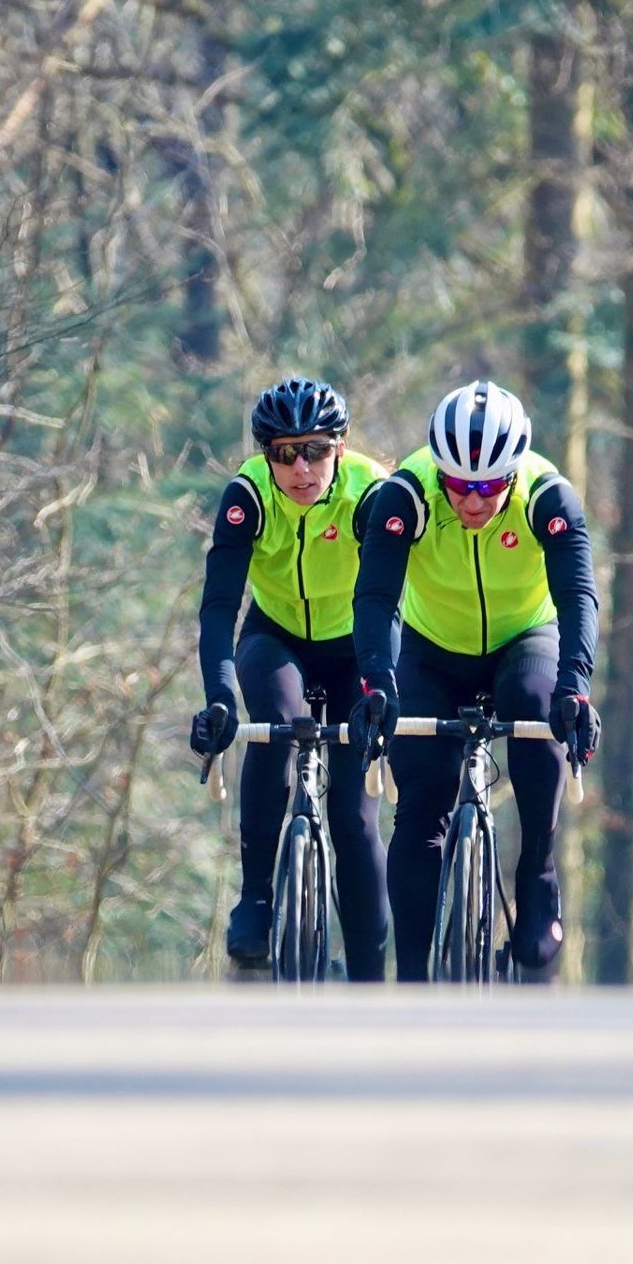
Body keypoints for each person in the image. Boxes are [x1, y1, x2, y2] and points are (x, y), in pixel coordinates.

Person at [348, 380, 601, 979]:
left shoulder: (547, 495)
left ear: (512, 473)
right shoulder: (406, 494)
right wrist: (376, 684)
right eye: (459, 485)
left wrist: (576, 686)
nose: (474, 501)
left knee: (537, 705)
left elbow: (577, 595)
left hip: (524, 642)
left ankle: (536, 872)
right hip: (432, 651)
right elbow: (376, 597)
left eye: (489, 486)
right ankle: (412, 974)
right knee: (421, 806)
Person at [190, 377, 391, 979]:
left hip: (356, 645)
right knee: (279, 728)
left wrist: (382, 683)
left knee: (354, 817)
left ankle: (366, 972)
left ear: (342, 446)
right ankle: (256, 898)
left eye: (317, 450)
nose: (301, 468)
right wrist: (220, 697)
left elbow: (388, 598)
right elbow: (219, 609)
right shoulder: (246, 497)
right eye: (283, 453)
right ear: (264, 454)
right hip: (274, 636)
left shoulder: (373, 494)